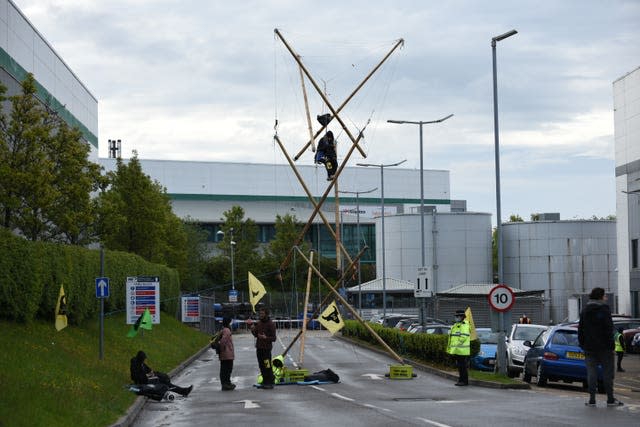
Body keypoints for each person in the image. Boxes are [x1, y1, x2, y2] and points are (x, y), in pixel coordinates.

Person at [578, 287, 623, 407]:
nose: (606, 298)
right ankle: (610, 399)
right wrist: (611, 345)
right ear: (600, 297)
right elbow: (609, 329)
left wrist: (582, 344)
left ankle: (592, 399)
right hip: (605, 348)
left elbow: (580, 329)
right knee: (608, 374)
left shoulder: (585, 310)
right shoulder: (604, 309)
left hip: (589, 347)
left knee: (591, 373)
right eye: (604, 296)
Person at [250, 307, 277, 389]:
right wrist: (252, 330)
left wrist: (266, 338)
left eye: (262, 314)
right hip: (259, 348)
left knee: (267, 365)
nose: (260, 315)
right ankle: (265, 380)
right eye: (260, 314)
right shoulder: (259, 323)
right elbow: (256, 334)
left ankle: (270, 381)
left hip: (266, 349)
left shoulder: (271, 324)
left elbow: (274, 338)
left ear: (266, 314)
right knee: (261, 365)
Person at [447, 309, 470, 386]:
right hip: (458, 350)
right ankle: (461, 380)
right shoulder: (456, 325)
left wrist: (457, 344)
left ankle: (464, 381)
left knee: (462, 367)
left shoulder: (464, 325)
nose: (456, 317)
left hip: (462, 350)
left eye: (458, 316)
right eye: (456, 316)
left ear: (462, 317)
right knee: (460, 366)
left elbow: (463, 337)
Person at [218, 317, 236, 391]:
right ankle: (226, 384)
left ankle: (227, 383)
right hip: (227, 353)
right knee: (227, 369)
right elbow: (223, 341)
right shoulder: (227, 330)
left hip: (225, 353)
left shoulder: (223, 330)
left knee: (225, 369)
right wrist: (222, 349)